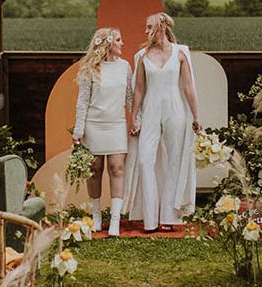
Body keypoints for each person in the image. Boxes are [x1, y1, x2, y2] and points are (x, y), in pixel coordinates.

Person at [123, 13, 201, 232]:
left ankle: (168, 216)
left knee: (175, 160)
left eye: (150, 27)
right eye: (146, 28)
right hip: (150, 110)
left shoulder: (181, 52)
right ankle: (149, 218)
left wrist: (196, 117)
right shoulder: (142, 55)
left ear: (163, 26)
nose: (146, 32)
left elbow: (188, 87)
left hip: (175, 109)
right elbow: (138, 89)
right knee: (144, 160)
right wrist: (135, 117)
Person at [72, 27, 132, 237]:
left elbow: (130, 98)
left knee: (117, 169)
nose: (122, 43)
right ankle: (96, 216)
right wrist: (79, 129)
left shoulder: (125, 67)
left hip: (116, 124)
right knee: (95, 170)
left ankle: (115, 220)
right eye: (118, 39)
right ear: (107, 44)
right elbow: (82, 101)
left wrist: (137, 120)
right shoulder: (90, 68)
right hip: (93, 125)